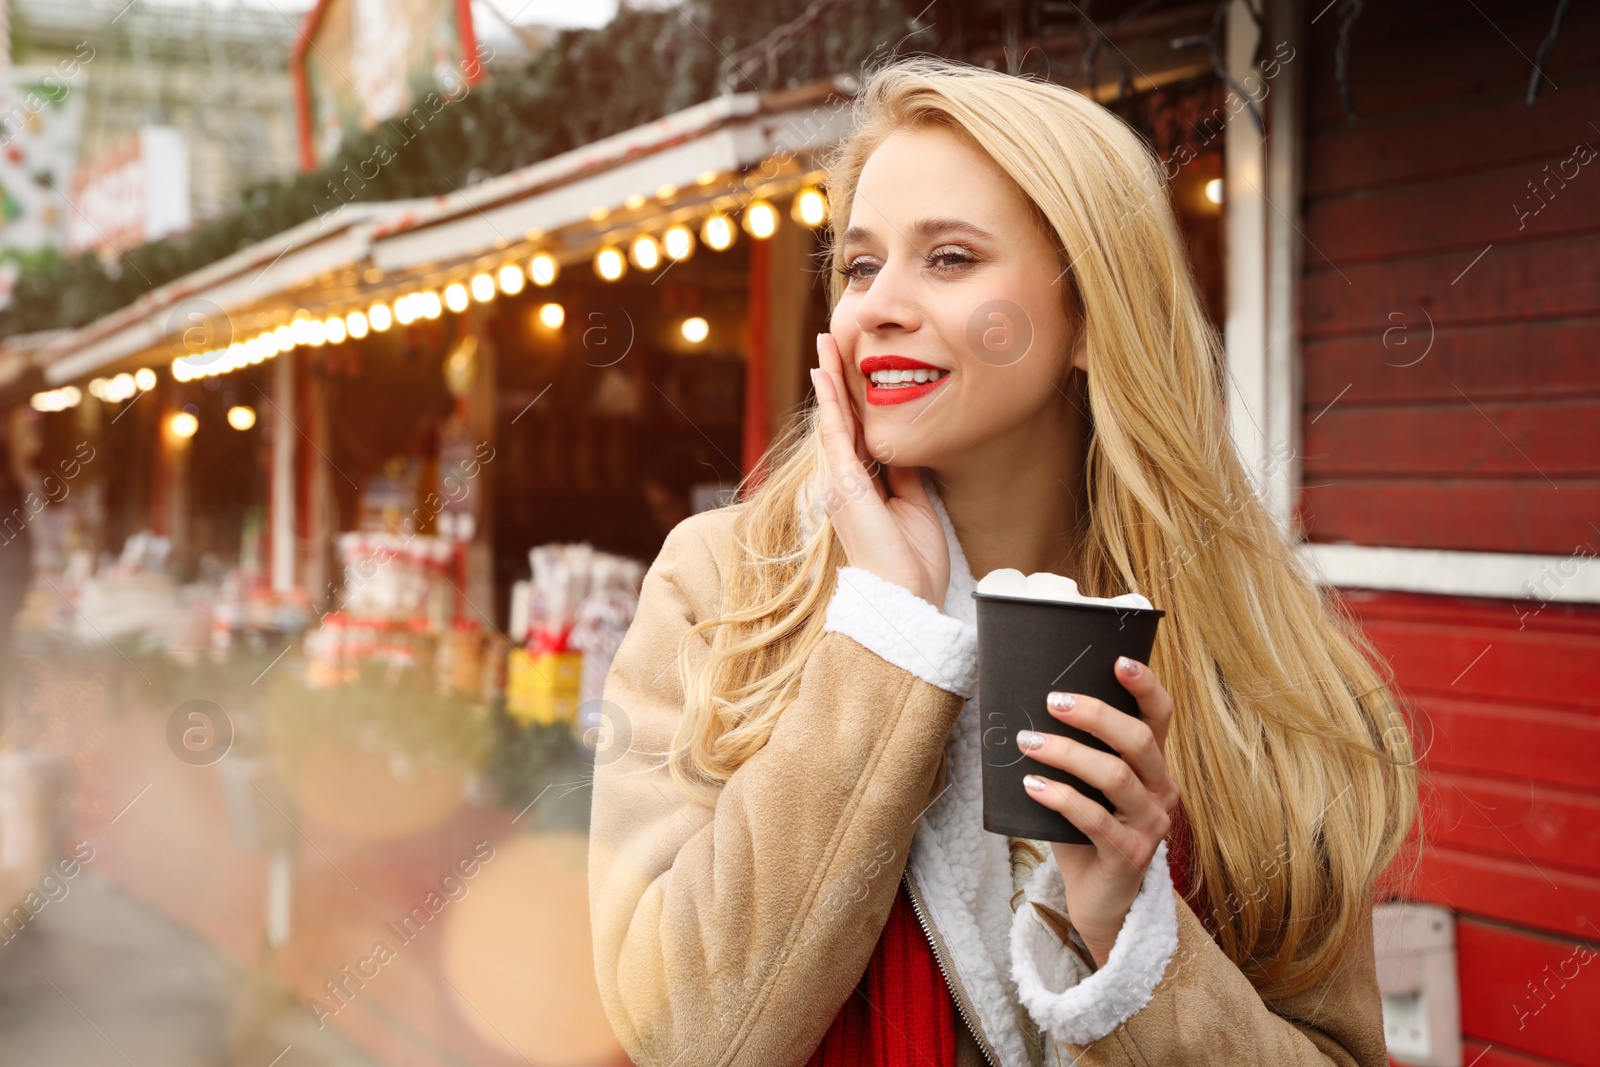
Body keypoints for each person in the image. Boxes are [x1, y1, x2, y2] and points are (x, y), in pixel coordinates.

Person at [589, 56, 1419, 1067]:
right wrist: (887, 636)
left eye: (947, 258)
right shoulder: (721, 586)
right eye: (858, 266)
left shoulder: (1255, 643)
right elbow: (682, 1036)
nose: (878, 306)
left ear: (1085, 316)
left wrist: (1130, 936)